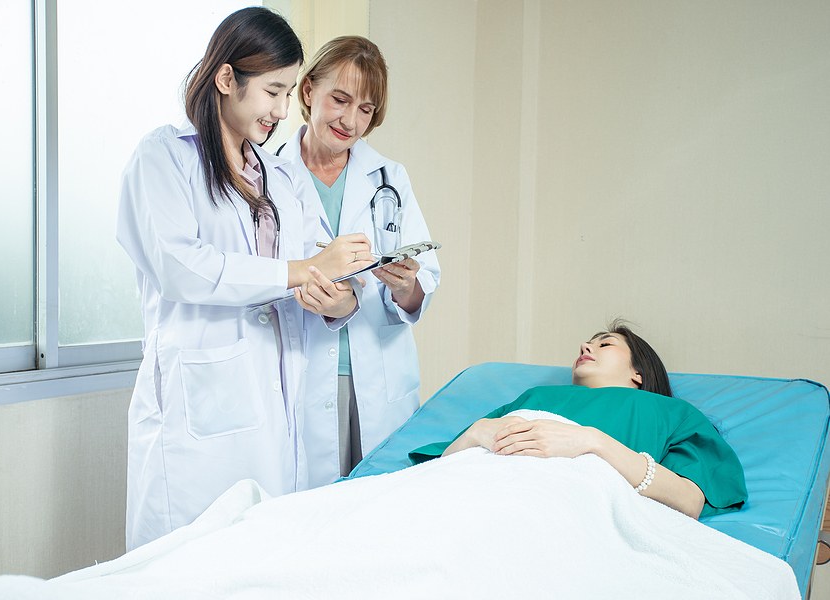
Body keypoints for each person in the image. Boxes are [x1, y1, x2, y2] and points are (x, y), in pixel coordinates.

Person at [116, 8, 376, 550]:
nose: (282, 110)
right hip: (199, 406)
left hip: (273, 402)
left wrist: (338, 298)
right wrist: (300, 271)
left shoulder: (278, 176)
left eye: (288, 94)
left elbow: (311, 263)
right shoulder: (164, 157)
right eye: (272, 91)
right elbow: (180, 267)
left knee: (261, 558)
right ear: (226, 78)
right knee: (184, 562)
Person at [277, 36, 441, 486]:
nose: (350, 120)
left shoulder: (390, 177)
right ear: (308, 90)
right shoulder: (270, 175)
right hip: (304, 368)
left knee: (379, 505)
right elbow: (262, 277)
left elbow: (424, 281)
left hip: (376, 372)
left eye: (365, 109)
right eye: (340, 99)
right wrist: (326, 298)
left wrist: (405, 286)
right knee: (313, 511)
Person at [410, 321, 748, 519]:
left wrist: (592, 441)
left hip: (554, 505)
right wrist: (476, 431)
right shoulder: (534, 398)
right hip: (467, 490)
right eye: (588, 342)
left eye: (605, 343)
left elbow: (689, 501)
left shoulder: (667, 412)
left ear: (639, 373)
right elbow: (443, 464)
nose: (586, 346)